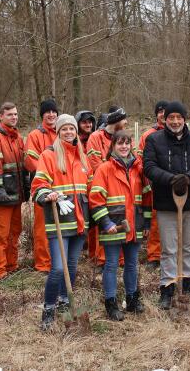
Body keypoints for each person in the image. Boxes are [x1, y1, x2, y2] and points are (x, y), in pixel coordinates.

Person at [143, 101, 190, 309]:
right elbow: (149, 166)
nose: (175, 121)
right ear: (165, 119)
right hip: (166, 202)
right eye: (171, 117)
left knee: (189, 245)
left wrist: (189, 178)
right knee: (169, 248)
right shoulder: (154, 140)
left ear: (184, 119)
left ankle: (188, 281)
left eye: (178, 118)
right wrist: (170, 179)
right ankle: (168, 286)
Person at [31, 114, 91, 329]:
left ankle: (66, 302)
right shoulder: (48, 155)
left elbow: (89, 189)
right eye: (64, 129)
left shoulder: (82, 157)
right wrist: (48, 194)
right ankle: (48, 308)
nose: (68, 132)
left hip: (79, 221)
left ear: (76, 132)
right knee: (58, 268)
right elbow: (38, 184)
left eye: (71, 129)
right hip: (59, 221)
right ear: (58, 132)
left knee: (72, 265)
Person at [89, 131, 151, 320]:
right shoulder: (105, 168)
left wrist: (146, 222)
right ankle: (111, 303)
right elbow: (96, 199)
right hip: (113, 225)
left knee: (132, 264)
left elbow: (147, 196)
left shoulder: (138, 169)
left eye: (127, 143)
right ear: (113, 146)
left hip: (134, 225)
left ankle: (132, 299)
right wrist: (105, 222)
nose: (124, 147)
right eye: (120, 144)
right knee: (112, 265)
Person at [0, 102, 29, 281]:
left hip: (16, 195)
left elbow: (23, 167)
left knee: (14, 232)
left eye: (16, 114)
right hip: (1, 197)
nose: (14, 117)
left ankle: (12, 266)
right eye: (10, 114)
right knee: (0, 235)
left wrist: (26, 189)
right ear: (0, 116)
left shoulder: (17, 138)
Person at [85, 106, 128, 266]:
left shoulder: (121, 137)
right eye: (124, 122)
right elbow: (96, 164)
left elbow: (129, 159)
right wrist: (113, 173)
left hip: (120, 188)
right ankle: (101, 260)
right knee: (102, 223)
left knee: (120, 219)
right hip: (101, 186)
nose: (126, 124)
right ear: (116, 123)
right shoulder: (95, 137)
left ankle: (121, 258)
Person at [24, 99, 60, 273]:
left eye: (54, 111)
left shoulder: (63, 132)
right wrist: (49, 173)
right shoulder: (35, 135)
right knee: (42, 227)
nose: (51, 115)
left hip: (62, 187)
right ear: (42, 115)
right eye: (48, 112)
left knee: (62, 225)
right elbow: (30, 161)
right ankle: (43, 264)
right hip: (43, 187)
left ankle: (59, 261)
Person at [139, 100, 169, 269]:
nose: (163, 115)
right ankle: (154, 256)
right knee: (155, 222)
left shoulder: (177, 133)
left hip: (173, 185)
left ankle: (171, 254)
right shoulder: (147, 135)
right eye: (160, 111)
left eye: (166, 111)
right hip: (154, 184)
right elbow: (140, 159)